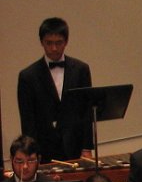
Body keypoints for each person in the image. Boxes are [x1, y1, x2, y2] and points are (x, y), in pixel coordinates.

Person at [16, 17, 93, 162]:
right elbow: (28, 120)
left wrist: (87, 148)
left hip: (75, 146)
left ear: (66, 42)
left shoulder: (81, 69)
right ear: (41, 42)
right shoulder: (27, 76)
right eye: (49, 43)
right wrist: (32, 153)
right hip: (43, 149)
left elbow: (86, 112)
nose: (54, 48)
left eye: (59, 43)